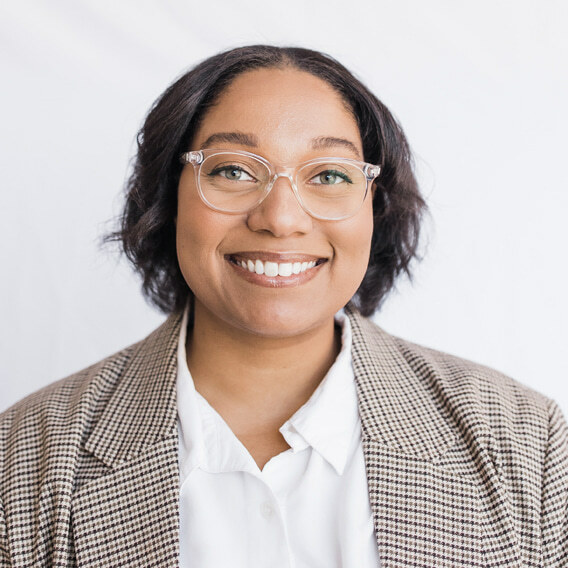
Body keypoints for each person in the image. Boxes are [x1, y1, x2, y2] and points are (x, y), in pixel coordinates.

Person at [0, 45, 566, 568]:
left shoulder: (527, 443)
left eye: (328, 175)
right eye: (233, 170)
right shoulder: (23, 459)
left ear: (375, 207)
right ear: (167, 197)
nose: (281, 217)